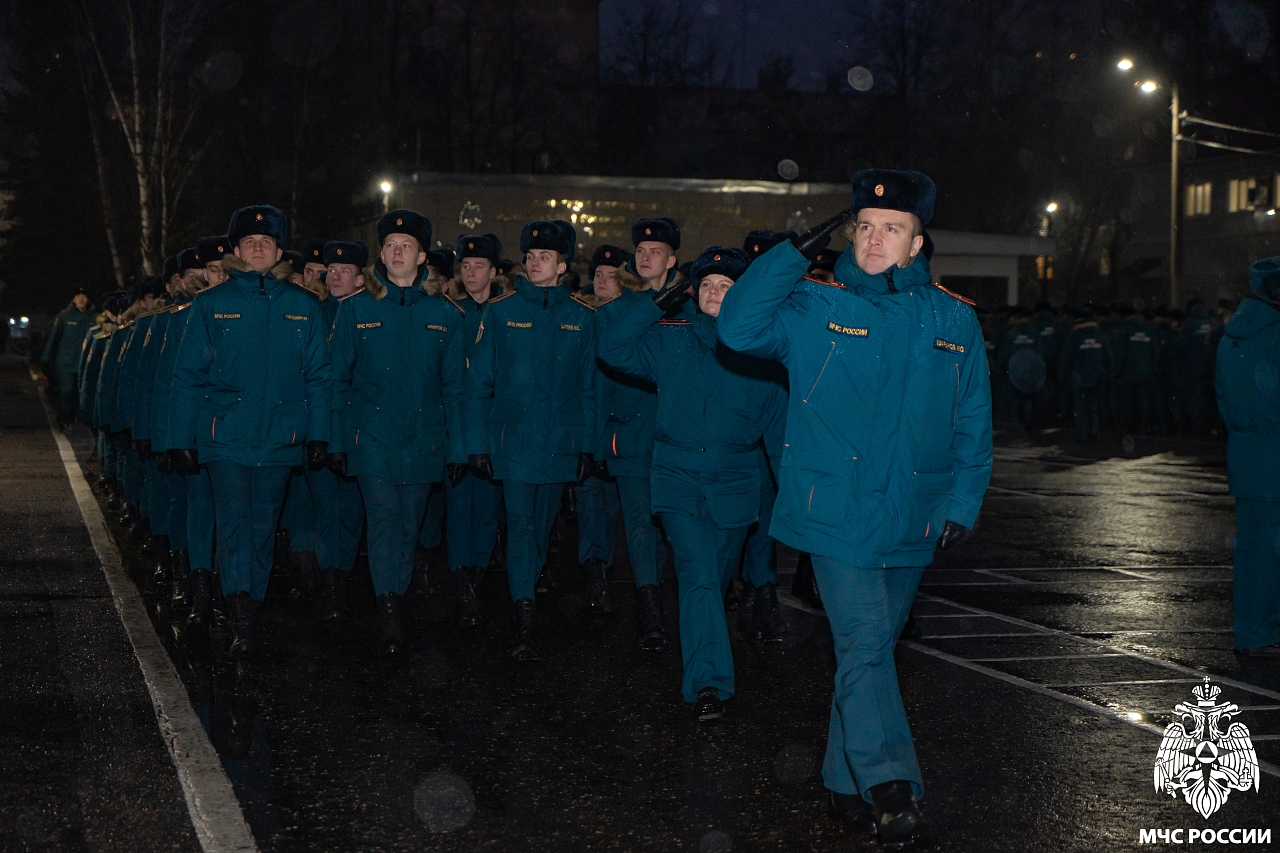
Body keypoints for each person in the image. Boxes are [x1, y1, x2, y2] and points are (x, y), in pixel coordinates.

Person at [717, 169, 992, 848]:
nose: (873, 239)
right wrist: (791, 254)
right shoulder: (813, 305)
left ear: (917, 242)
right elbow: (737, 326)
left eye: (891, 228)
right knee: (865, 643)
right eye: (864, 226)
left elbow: (972, 420)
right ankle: (892, 786)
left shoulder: (953, 319)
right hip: (834, 512)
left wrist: (963, 500)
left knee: (867, 653)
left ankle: (843, 784)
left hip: (913, 513)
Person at [599, 245, 787, 722]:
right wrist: (655, 303)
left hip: (736, 482)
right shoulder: (671, 337)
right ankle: (708, 685)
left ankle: (704, 655)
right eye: (706, 285)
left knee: (713, 580)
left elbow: (779, 433)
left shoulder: (762, 351)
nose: (713, 292)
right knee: (698, 575)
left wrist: (791, 492)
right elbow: (611, 347)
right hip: (677, 476)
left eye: (725, 286)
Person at [169, 205, 332, 659]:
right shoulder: (211, 305)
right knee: (233, 522)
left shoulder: (303, 306)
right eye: (249, 242)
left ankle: (250, 604)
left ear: (279, 251)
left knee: (263, 524)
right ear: (237, 251)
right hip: (225, 435)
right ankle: (240, 613)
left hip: (281, 436)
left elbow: (320, 377)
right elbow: (187, 376)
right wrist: (179, 438)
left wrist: (320, 434)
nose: (257, 248)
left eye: (266, 242)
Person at [329, 211, 465, 655]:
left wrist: (459, 448)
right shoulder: (356, 309)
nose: (397, 252)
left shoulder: (444, 313)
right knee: (384, 518)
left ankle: (396, 594)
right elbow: (337, 379)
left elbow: (455, 387)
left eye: (406, 245)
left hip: (424, 438)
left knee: (408, 525)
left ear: (422, 256)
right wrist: (336, 440)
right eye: (390, 245)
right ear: (382, 256)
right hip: (371, 435)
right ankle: (387, 606)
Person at [464, 219, 598, 661]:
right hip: (514, 442)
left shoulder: (581, 318)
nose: (535, 263)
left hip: (559, 444)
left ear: (562, 266)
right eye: (530, 256)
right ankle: (523, 614)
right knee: (520, 526)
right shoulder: (500, 312)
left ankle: (527, 590)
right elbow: (479, 384)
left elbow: (589, 389)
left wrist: (587, 446)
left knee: (541, 528)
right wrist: (477, 443)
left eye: (545, 257)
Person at [593, 226, 679, 649]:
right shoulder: (617, 310)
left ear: (671, 260)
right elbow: (599, 383)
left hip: (675, 436)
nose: (645, 257)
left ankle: (662, 592)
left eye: (655, 251)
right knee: (640, 524)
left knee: (668, 524)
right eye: (640, 250)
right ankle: (650, 609)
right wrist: (599, 439)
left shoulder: (688, 310)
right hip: (629, 433)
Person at [442, 233, 508, 627]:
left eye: (478, 266)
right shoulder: (451, 311)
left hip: (493, 427)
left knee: (486, 509)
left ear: (494, 271)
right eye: (465, 266)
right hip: (456, 424)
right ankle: (462, 583)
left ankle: (477, 577)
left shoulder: (504, 312)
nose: (470, 272)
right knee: (457, 509)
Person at [1216, 257, 1280, 658]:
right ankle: (1261, 631)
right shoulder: (1275, 336)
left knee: (1255, 549)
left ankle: (1253, 631)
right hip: (1275, 453)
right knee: (1268, 552)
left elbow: (1224, 399)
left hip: (1246, 456)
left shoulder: (1231, 336)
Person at [308, 240, 368, 624]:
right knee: (326, 507)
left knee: (352, 511)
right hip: (321, 426)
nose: (335, 276)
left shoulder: (367, 315)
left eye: (344, 271)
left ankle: (342, 575)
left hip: (356, 428)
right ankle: (331, 581)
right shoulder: (313, 314)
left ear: (360, 279)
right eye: (331, 270)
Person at [1057, 306, 1114, 442]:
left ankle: (1083, 434)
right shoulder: (1100, 335)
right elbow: (1108, 356)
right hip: (1098, 376)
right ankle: (1094, 430)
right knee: (1093, 404)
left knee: (1080, 407)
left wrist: (1061, 375)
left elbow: (1066, 358)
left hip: (1079, 378)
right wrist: (1110, 373)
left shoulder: (1074, 336)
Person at [42, 286, 95, 427]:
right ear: (73, 299)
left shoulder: (95, 318)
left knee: (81, 395)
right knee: (66, 391)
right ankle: (64, 417)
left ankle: (76, 421)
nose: (81, 299)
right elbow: (53, 339)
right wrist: (46, 359)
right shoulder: (64, 317)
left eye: (84, 296)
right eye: (78, 296)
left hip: (85, 364)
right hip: (66, 363)